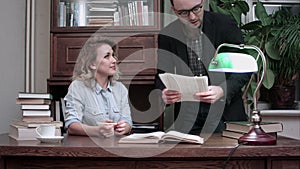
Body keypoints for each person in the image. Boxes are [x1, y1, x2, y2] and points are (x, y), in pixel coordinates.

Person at [155, 0, 251, 135]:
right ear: (174, 10)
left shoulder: (224, 24)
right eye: (184, 13)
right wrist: (163, 92)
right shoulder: (167, 34)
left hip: (224, 112)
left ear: (202, 2)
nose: (192, 17)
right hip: (187, 115)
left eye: (196, 9)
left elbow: (245, 66)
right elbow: (161, 75)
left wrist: (222, 90)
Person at [64, 35, 132, 138]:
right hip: (87, 149)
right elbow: (72, 125)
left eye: (113, 55)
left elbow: (127, 121)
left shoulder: (120, 89)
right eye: (106, 56)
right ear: (92, 64)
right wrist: (97, 131)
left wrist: (124, 127)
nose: (114, 60)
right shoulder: (77, 87)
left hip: (117, 148)